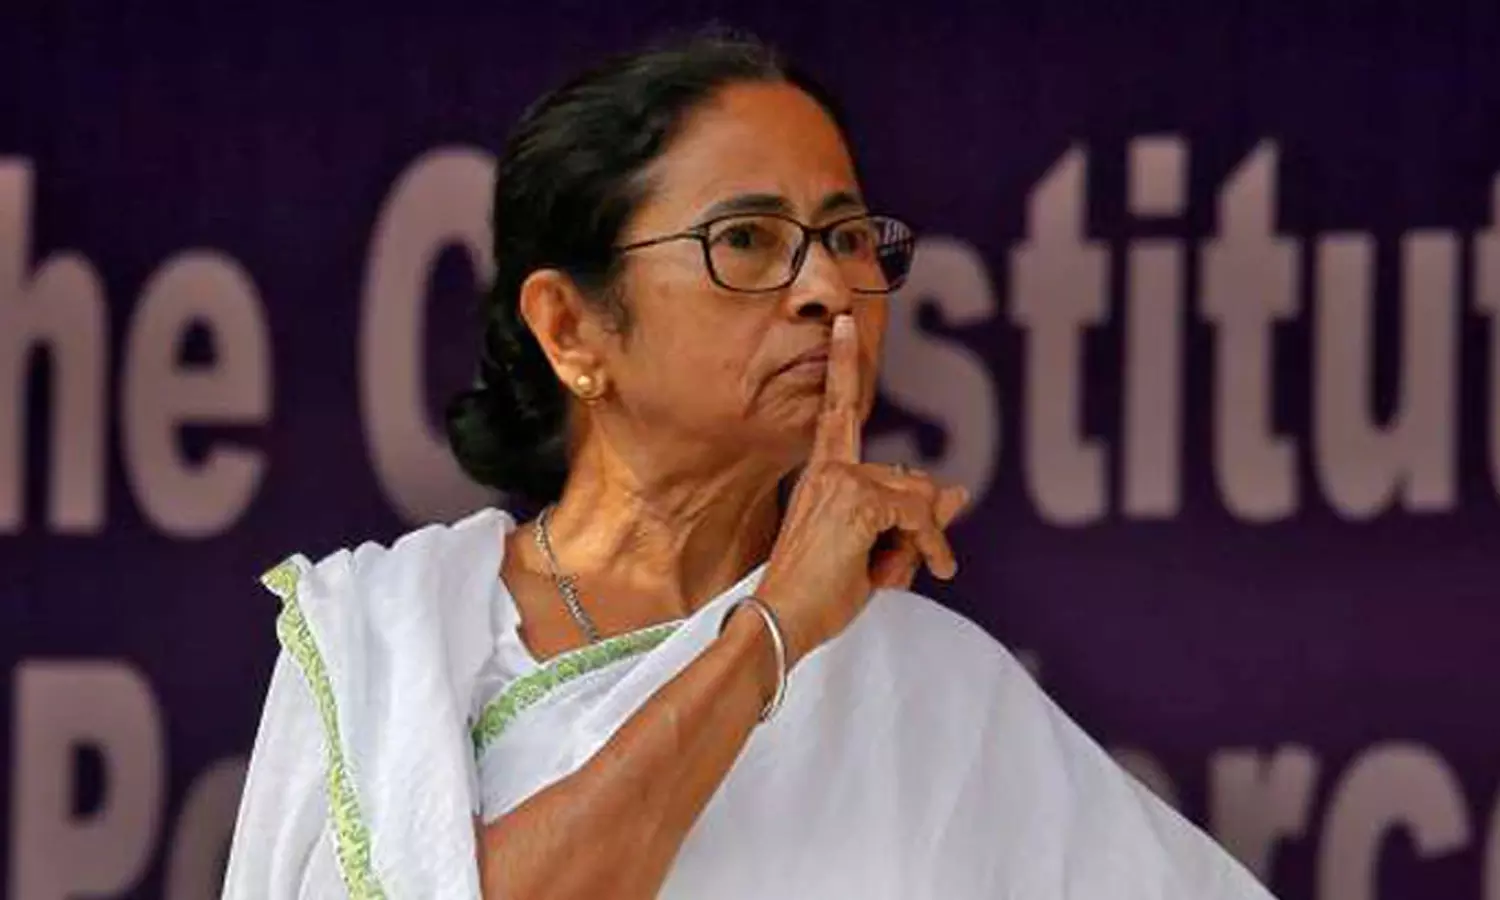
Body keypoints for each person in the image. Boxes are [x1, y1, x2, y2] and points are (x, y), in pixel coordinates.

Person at [222, 30, 1276, 900]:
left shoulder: (933, 688)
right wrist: (772, 630)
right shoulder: (391, 637)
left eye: (847, 239)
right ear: (572, 328)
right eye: (747, 241)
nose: (828, 290)